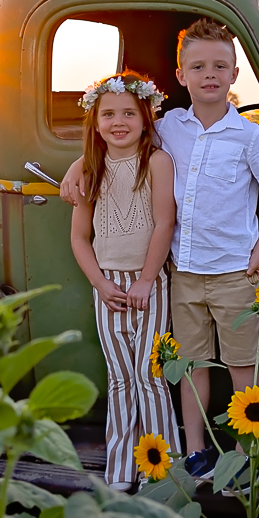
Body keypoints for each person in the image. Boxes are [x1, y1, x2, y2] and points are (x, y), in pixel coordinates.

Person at [66, 19, 259, 474]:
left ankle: (247, 455)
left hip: (234, 271)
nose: (210, 74)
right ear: (181, 75)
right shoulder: (169, 127)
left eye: (220, 66)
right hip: (183, 270)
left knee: (244, 363)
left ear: (234, 74)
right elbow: (120, 135)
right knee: (190, 364)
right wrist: (77, 166)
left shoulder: (248, 135)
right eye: (198, 66)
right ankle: (195, 450)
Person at [64, 71, 179, 488]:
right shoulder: (90, 169)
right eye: (108, 114)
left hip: (150, 283)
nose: (119, 122)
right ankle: (119, 471)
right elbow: (79, 237)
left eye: (129, 113)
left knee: (150, 375)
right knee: (119, 377)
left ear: (146, 118)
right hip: (108, 284)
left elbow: (164, 224)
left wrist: (147, 280)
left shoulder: (156, 162)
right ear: (95, 123)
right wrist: (100, 283)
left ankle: (161, 472)